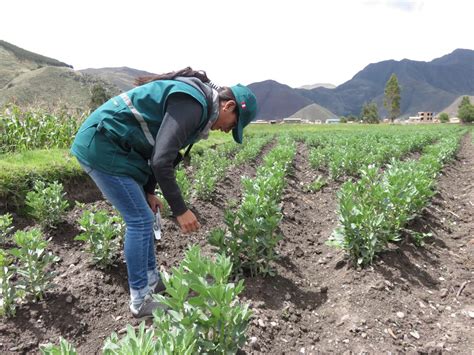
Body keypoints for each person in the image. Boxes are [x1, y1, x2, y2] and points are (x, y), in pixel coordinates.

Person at [70, 67, 258, 318]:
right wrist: (180, 210)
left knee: (144, 217)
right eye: (233, 125)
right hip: (103, 146)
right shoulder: (193, 104)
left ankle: (151, 281)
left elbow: (158, 148)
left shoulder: (198, 106)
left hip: (119, 148)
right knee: (139, 221)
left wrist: (149, 191)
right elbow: (160, 161)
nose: (228, 131)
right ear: (228, 106)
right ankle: (140, 300)